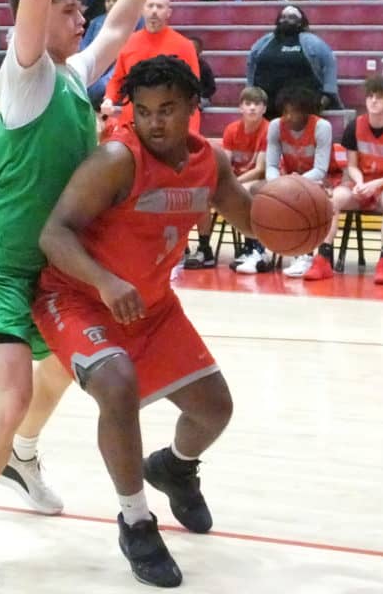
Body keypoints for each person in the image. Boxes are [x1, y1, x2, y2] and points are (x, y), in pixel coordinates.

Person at [0, 0, 164, 587]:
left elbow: (120, 27)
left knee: (66, 367)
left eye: (79, 9)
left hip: (51, 268)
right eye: (70, 10)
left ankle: (21, 454)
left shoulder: (72, 79)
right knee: (8, 394)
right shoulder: (27, 76)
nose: (81, 16)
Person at [32, 55, 248, 587]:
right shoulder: (116, 159)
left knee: (215, 410)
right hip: (79, 296)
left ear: (193, 106)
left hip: (151, 305)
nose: (154, 122)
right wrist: (105, 280)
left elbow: (254, 219)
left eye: (167, 109)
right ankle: (135, 521)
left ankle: (174, 466)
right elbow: (54, 234)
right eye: (144, 111)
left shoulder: (210, 164)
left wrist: (304, 222)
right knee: (117, 384)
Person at [304, 76, 383, 285]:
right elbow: (351, 165)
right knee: (335, 198)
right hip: (362, 182)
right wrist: (361, 182)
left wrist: (375, 184)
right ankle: (323, 259)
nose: (373, 101)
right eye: (370, 96)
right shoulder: (355, 126)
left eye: (379, 97)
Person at [103, 0, 200, 132]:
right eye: (150, 6)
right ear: (143, 10)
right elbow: (117, 80)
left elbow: (193, 92)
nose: (154, 11)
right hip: (132, 122)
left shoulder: (185, 46)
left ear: (169, 12)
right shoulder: (129, 42)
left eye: (159, 7)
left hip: (168, 124)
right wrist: (109, 99)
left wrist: (191, 132)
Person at [264, 85, 335, 278]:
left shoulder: (322, 127)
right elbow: (271, 165)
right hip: (290, 180)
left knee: (305, 200)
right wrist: (277, 185)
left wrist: (293, 184)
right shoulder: (275, 126)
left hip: (323, 180)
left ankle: (306, 256)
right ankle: (259, 250)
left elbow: (321, 170)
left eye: (293, 111)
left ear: (305, 112)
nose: (287, 116)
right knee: (257, 192)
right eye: (285, 111)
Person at [246, 4, 340, 118]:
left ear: (300, 22)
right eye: (283, 17)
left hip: (302, 105)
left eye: (291, 17)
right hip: (267, 103)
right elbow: (251, 64)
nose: (286, 20)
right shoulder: (264, 42)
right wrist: (249, 91)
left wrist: (327, 95)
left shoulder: (313, 42)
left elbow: (329, 65)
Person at [218, 85, 270, 274]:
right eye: (248, 103)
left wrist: (235, 183)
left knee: (247, 191)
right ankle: (203, 248)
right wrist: (230, 182)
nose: (252, 108)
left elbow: (260, 169)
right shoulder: (231, 130)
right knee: (206, 192)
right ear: (240, 107)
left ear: (264, 108)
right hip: (238, 180)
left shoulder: (268, 129)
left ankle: (257, 249)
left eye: (257, 104)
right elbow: (225, 164)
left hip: (264, 181)